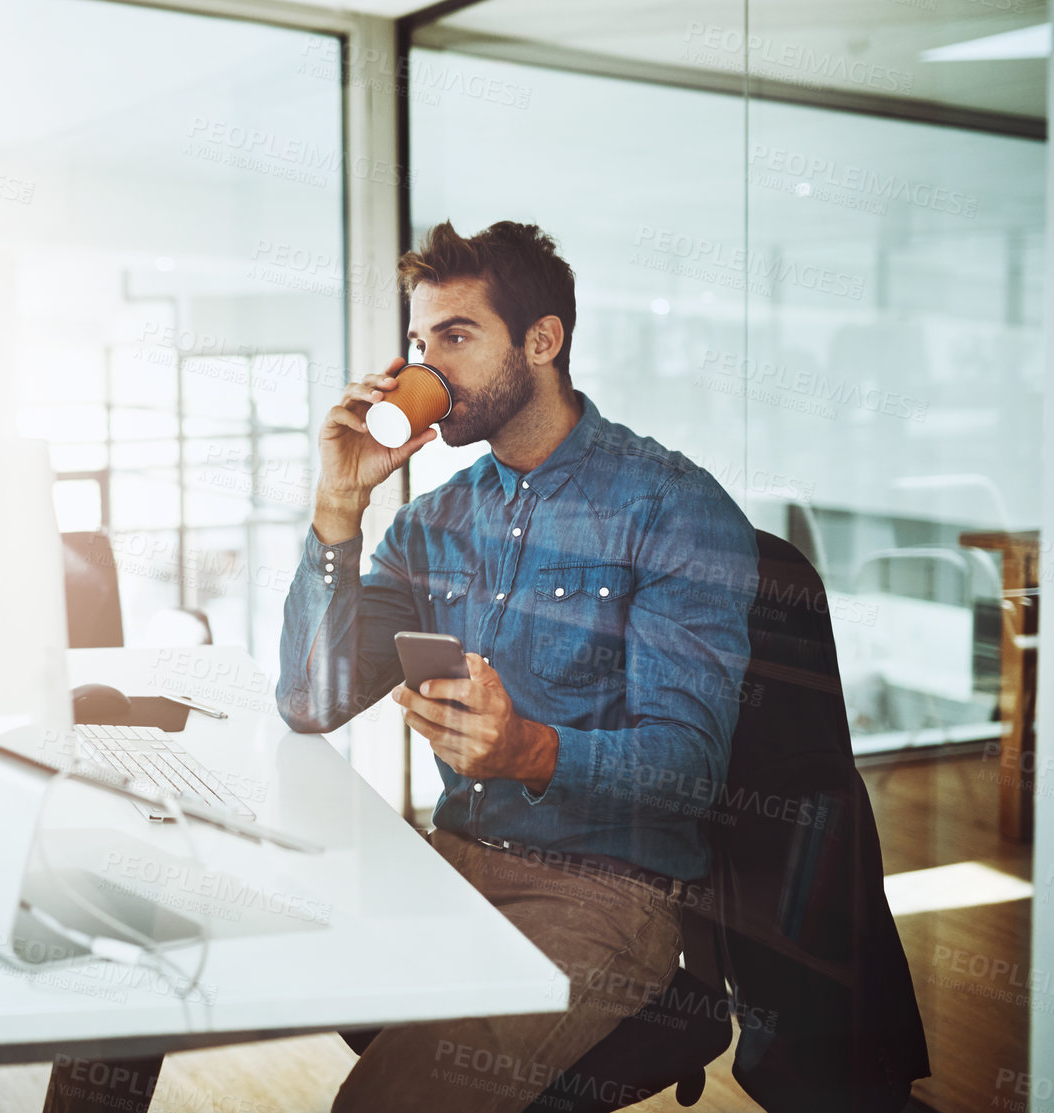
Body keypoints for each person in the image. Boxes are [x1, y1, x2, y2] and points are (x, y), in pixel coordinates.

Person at [41, 220, 758, 1113]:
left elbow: (692, 772)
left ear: (543, 340)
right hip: (444, 866)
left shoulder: (672, 507)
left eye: (456, 337)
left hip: (603, 896)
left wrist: (534, 749)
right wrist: (339, 506)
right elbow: (310, 700)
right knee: (141, 935)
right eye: (419, 343)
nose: (427, 368)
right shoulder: (436, 521)